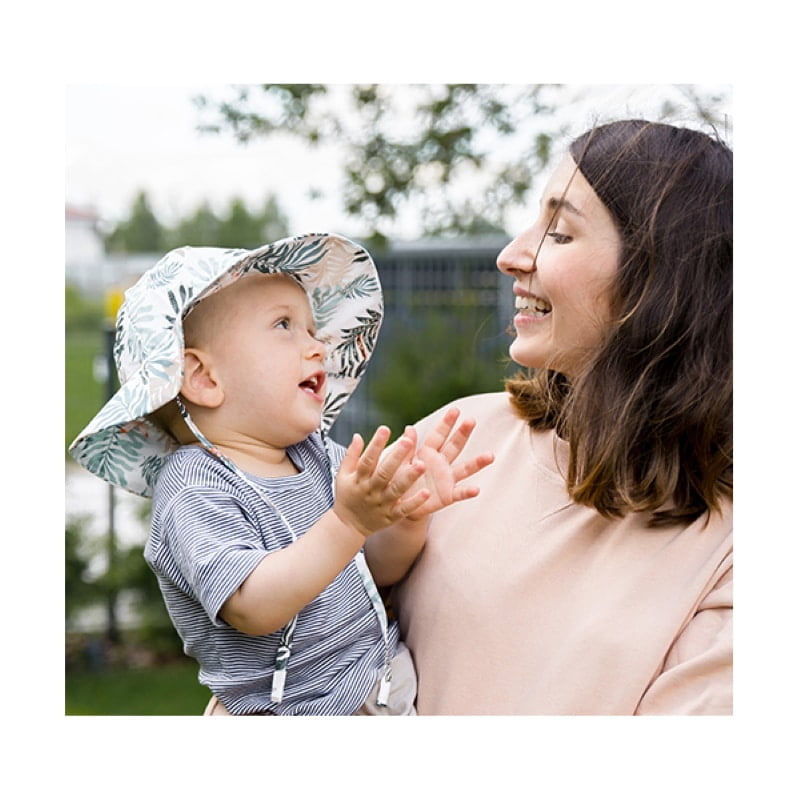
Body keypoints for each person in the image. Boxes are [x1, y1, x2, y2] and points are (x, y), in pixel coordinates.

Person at [69, 233, 492, 716]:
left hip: (377, 689)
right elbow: (254, 605)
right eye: (284, 325)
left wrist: (401, 518)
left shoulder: (314, 456)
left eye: (312, 330)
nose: (316, 347)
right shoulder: (194, 487)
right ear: (204, 379)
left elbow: (372, 569)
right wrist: (349, 522)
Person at [392, 119, 733, 715]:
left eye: (561, 232)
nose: (511, 256)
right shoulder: (458, 438)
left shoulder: (730, 550)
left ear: (659, 282)